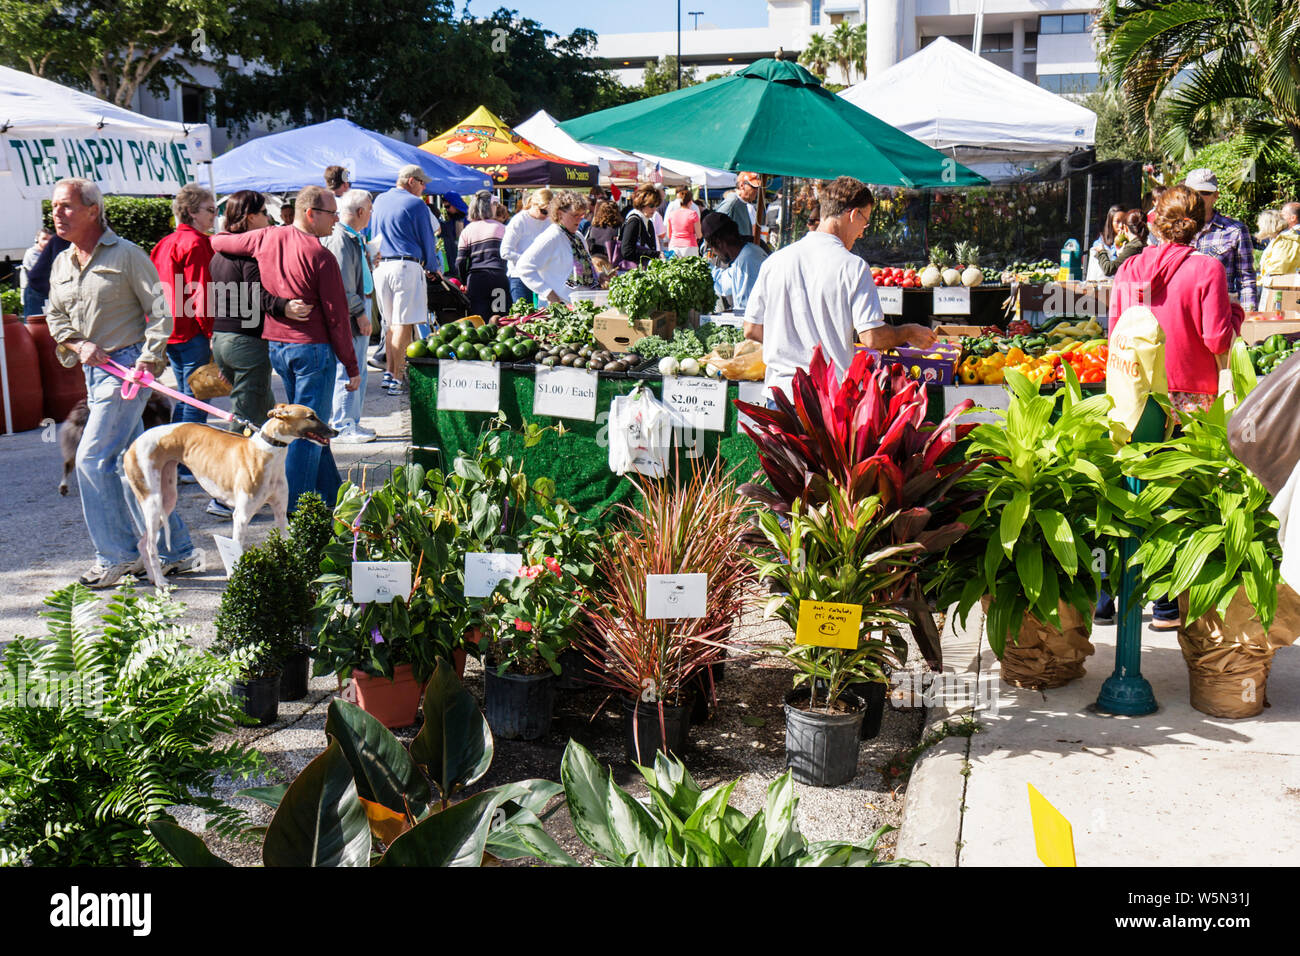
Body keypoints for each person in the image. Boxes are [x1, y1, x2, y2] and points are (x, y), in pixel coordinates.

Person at [44, 177, 200, 587]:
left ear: (93, 210)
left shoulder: (127, 255)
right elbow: (55, 317)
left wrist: (148, 360)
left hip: (128, 372)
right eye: (54, 207)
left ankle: (117, 557)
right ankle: (176, 551)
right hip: (93, 372)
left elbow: (161, 310)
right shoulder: (62, 262)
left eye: (66, 206)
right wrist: (79, 345)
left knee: (92, 460)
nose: (57, 214)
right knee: (129, 464)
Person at [1103, 184, 1242, 630]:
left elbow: (1115, 333)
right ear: (1199, 224)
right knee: (1177, 497)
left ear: (1156, 220)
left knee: (1128, 489)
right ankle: (1165, 604)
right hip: (1189, 397)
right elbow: (1217, 338)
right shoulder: (1207, 269)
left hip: (1135, 392)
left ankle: (1109, 598)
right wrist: (1236, 314)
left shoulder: (1128, 270)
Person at [210, 185, 359, 513]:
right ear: (311, 213)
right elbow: (337, 318)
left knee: (311, 428)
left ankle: (335, 499)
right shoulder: (320, 255)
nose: (337, 220)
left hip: (280, 348)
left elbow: (218, 240)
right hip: (312, 351)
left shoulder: (266, 237)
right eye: (332, 214)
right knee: (306, 433)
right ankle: (295, 513)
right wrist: (352, 366)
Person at [742, 176, 937, 405]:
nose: (862, 233)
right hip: (828, 400)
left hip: (780, 396)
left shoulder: (775, 261)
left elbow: (752, 329)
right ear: (853, 215)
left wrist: (790, 345)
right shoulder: (853, 266)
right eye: (864, 223)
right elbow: (872, 337)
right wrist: (909, 331)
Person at [210, 190, 310, 436]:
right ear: (251, 217)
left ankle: (265, 470)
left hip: (224, 339)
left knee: (263, 410)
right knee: (245, 417)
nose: (269, 219)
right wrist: (284, 306)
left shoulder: (219, 254)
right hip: (244, 340)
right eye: (265, 213)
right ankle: (229, 471)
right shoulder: (246, 255)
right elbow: (256, 295)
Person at [150, 184, 216, 443]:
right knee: (196, 399)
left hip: (171, 330)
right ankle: (183, 459)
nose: (214, 215)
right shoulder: (196, 243)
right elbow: (202, 292)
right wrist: (212, 332)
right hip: (192, 330)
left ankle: (172, 457)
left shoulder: (164, 244)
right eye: (209, 210)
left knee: (187, 396)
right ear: (191, 212)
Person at [369, 164, 440, 395]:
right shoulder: (416, 203)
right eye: (422, 182)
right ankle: (397, 377)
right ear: (411, 181)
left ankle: (390, 373)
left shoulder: (379, 200)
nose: (424, 187)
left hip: (381, 266)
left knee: (390, 323)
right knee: (403, 323)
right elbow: (427, 237)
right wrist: (433, 266)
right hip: (405, 266)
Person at [322, 188, 377, 444]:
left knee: (357, 368)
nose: (371, 215)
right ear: (361, 212)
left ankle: (351, 421)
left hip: (358, 307)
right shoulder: (341, 238)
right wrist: (359, 314)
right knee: (349, 368)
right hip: (352, 312)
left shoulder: (351, 237)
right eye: (370, 210)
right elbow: (341, 287)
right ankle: (343, 424)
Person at [1184, 168, 1258, 310]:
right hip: (1184, 311)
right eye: (1193, 192)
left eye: (1205, 193)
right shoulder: (1173, 229)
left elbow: (1246, 279)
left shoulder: (1235, 230)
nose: (1198, 197)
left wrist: (1248, 314)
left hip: (1219, 311)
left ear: (1215, 195)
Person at [515, 190, 599, 305]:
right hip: (558, 307)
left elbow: (582, 269)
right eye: (575, 215)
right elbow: (523, 267)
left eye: (582, 215)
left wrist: (599, 276)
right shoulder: (551, 237)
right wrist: (548, 293)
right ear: (560, 214)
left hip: (579, 305)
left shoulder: (578, 236)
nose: (580, 220)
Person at [456, 189, 511, 319]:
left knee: (479, 320)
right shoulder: (502, 228)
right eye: (495, 205)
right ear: (489, 207)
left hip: (476, 280)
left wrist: (463, 282)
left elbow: (460, 262)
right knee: (500, 317)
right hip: (499, 277)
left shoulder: (467, 230)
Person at [702, 212, 767, 312]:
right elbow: (723, 283)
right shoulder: (745, 254)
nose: (714, 254)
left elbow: (746, 311)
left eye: (712, 248)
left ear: (719, 243)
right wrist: (705, 268)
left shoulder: (747, 261)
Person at [501, 188, 553, 305]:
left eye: (550, 212)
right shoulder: (519, 221)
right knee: (523, 316)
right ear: (534, 205)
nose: (547, 215)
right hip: (519, 277)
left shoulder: (549, 221)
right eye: (544, 211)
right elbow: (505, 252)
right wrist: (528, 260)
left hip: (543, 277)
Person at [1258, 201, 1300, 308]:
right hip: (1278, 289)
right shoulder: (1281, 239)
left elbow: (1277, 272)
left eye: (1284, 214)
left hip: (1280, 293)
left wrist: (1259, 281)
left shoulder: (1287, 240)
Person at [22, 229, 71, 316]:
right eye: (44, 239)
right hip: (38, 289)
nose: (46, 242)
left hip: (52, 289)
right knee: (36, 325)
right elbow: (60, 270)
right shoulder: (60, 240)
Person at [1092, 209, 1148, 277]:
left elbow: (1108, 269)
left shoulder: (1133, 247)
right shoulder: (1144, 244)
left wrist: (1101, 252)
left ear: (1126, 228)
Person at [618, 184, 662, 268]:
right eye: (651, 205)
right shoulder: (634, 221)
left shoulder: (648, 222)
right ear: (642, 204)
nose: (654, 209)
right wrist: (655, 254)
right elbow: (627, 252)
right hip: (632, 272)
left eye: (656, 205)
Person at [714, 172, 761, 242]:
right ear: (742, 185)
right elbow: (714, 227)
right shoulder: (732, 202)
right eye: (754, 187)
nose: (757, 190)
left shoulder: (742, 203)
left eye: (758, 187)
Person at [1086, 204, 1128, 281]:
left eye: (1124, 221)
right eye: (1117, 221)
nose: (1121, 225)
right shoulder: (1101, 242)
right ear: (1110, 222)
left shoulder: (1129, 242)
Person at [19, 228, 51, 316]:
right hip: (33, 293)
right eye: (44, 239)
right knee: (34, 322)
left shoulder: (49, 253)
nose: (47, 242)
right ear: (37, 240)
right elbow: (42, 272)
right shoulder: (31, 253)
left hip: (48, 291)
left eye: (49, 240)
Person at [665, 186, 702, 257]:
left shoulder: (672, 214)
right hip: (689, 246)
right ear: (690, 201)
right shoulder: (693, 214)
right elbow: (699, 235)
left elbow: (669, 234)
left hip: (674, 245)